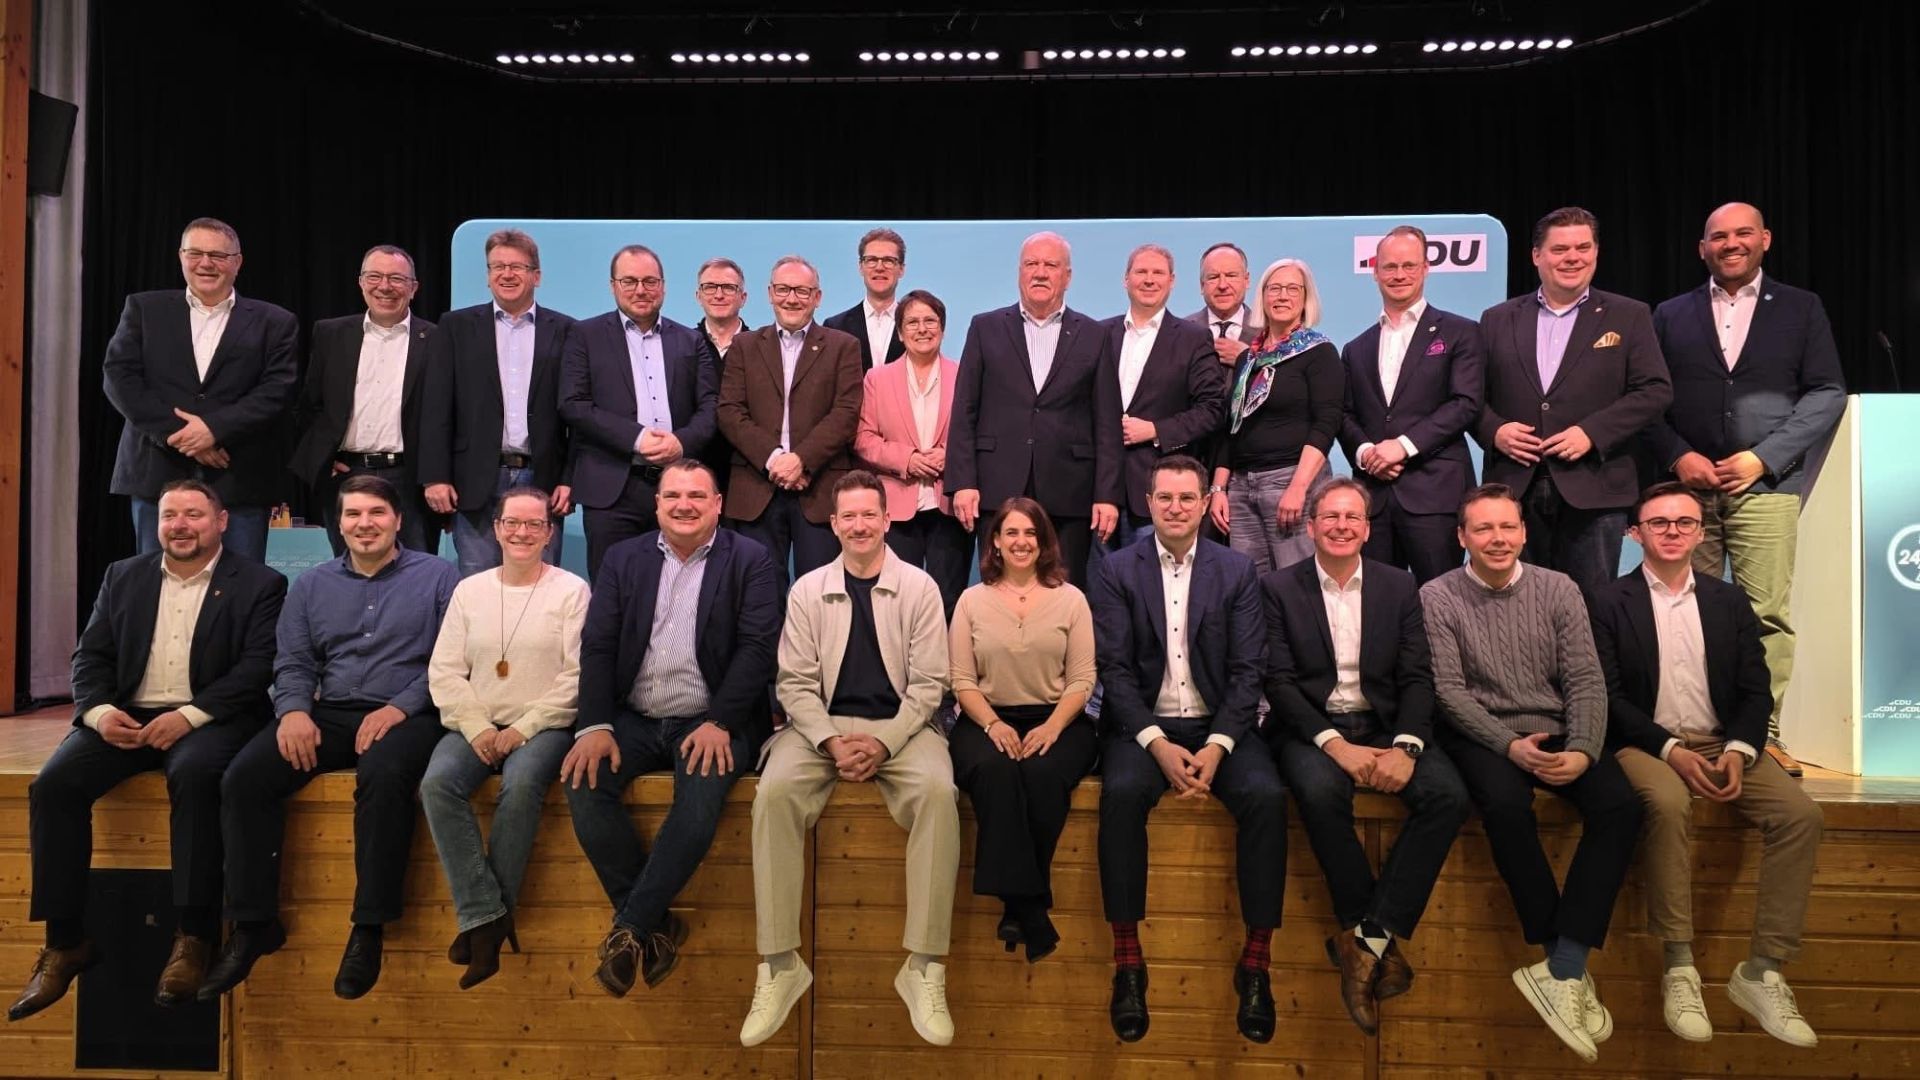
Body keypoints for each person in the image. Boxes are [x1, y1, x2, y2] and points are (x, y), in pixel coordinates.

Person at [8, 481, 285, 1021]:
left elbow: (257, 669)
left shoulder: (260, 583)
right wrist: (98, 713)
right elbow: (90, 657)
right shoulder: (123, 576)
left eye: (194, 515)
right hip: (127, 716)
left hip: (211, 717)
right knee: (54, 786)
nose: (180, 525)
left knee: (195, 775)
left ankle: (195, 935)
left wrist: (189, 716)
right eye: (169, 515)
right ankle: (65, 941)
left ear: (222, 521)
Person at [198, 475, 458, 1002]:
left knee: (383, 774)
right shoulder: (312, 585)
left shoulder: (439, 576)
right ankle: (253, 924)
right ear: (338, 524)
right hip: (331, 711)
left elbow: (450, 661)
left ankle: (369, 927)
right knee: (245, 777)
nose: (365, 524)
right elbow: (294, 660)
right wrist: (293, 710)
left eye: (376, 513)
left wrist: (399, 707)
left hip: (410, 712)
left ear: (398, 520)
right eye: (353, 514)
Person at [1589, 481, 1824, 1047]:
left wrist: (1741, 749)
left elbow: (1755, 688)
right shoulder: (1606, 601)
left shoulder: (1729, 600)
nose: (1672, 531)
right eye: (1659, 522)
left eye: (1685, 522)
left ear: (1700, 533)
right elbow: (1608, 697)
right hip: (1644, 744)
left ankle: (1763, 971)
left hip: (1724, 742)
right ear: (1635, 533)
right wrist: (1669, 750)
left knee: (1801, 816)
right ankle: (1679, 966)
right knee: (1668, 804)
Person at [1420, 483, 1643, 1063]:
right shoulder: (1436, 596)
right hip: (1483, 733)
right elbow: (1448, 692)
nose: (1497, 539)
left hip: (1561, 727)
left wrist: (1585, 750)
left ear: (1523, 532)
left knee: (1621, 806)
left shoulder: (1560, 588)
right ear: (1462, 537)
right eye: (1483, 529)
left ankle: (1563, 967)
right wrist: (1509, 746)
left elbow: (1586, 679)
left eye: (1507, 527)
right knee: (1504, 806)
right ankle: (1559, 960)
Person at [740, 471, 956, 1049]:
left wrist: (886, 742)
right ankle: (779, 965)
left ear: (887, 519)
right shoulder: (807, 590)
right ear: (834, 524)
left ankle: (924, 966)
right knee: (773, 793)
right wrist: (830, 741)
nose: (860, 526)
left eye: (869, 515)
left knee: (939, 794)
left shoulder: (921, 588)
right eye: (849, 517)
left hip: (903, 729)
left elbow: (930, 684)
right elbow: (794, 684)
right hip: (822, 728)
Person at [1260, 476, 1469, 1035]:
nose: (1341, 526)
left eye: (1353, 516)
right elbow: (1278, 682)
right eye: (1330, 516)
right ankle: (1376, 942)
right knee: (1319, 789)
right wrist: (1335, 745)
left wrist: (1405, 746)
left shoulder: (1399, 586)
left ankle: (1364, 941)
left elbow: (1417, 676)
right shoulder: (1278, 588)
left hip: (1384, 725)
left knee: (1448, 796)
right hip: (1311, 729)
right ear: (1310, 527)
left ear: (1368, 528)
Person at [564, 460, 779, 996]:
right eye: (674, 495)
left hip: (713, 721)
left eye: (697, 496)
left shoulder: (751, 559)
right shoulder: (623, 558)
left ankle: (631, 927)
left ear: (718, 505)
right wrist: (594, 725)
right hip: (633, 718)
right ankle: (650, 925)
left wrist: (720, 721)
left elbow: (758, 649)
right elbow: (599, 645)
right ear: (657, 504)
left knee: (699, 805)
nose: (685, 505)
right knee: (583, 783)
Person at [1091, 455, 1285, 1045]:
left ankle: (1257, 962)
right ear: (1149, 503)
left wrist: (1220, 745)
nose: (1175, 508)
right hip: (1143, 728)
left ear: (1205, 504)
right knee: (1122, 794)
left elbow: (1249, 669)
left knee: (1267, 797)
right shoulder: (1116, 568)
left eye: (1186, 498)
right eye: (1165, 498)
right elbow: (1114, 670)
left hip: (1220, 727)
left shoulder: (1237, 569)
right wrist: (1155, 744)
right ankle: (1128, 962)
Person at [1649, 202, 1847, 776]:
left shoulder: (1802, 308)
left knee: (1765, 617)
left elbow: (1827, 392)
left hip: (1766, 488)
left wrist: (1764, 458)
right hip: (1686, 493)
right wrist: (1678, 455)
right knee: (1683, 613)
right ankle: (1688, 735)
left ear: (1765, 239)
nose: (1730, 243)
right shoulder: (1669, 314)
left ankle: (1762, 734)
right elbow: (1646, 398)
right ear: (1702, 248)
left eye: (1742, 234)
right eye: (1718, 236)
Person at [420, 487, 590, 989]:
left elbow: (577, 676)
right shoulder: (468, 591)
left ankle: (482, 926)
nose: (522, 533)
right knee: (437, 785)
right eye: (512, 523)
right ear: (495, 529)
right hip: (476, 723)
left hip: (543, 725)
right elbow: (445, 671)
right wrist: (477, 727)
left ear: (549, 533)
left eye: (534, 524)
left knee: (520, 788)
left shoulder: (571, 591)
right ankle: (488, 915)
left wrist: (523, 728)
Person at [1475, 207, 1673, 598]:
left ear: (1596, 252)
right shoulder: (1497, 319)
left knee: (1592, 606)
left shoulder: (1629, 315)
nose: (1573, 257)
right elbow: (1469, 396)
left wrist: (1592, 433)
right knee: (1516, 605)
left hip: (1595, 486)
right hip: (1514, 487)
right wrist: (1494, 431)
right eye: (1560, 249)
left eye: (1583, 247)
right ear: (1536, 255)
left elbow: (1654, 389)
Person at [948, 497, 1098, 962]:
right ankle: (1031, 908)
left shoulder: (1072, 600)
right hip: (985, 716)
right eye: (1011, 532)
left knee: (1041, 773)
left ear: (1044, 541)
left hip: (1058, 717)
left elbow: (1082, 679)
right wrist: (992, 723)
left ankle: (1016, 905)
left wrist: (1053, 726)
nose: (1021, 542)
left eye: (1031, 533)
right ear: (994, 541)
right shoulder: (971, 601)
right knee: (996, 772)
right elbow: (961, 679)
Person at [103, 217, 299, 563]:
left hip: (238, 477)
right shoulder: (144, 309)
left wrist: (213, 430)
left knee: (239, 587)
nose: (205, 263)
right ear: (181, 256)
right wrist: (182, 434)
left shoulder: (276, 321)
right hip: (157, 472)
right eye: (195, 253)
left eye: (218, 255)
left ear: (237, 262)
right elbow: (120, 378)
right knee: (159, 583)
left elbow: (276, 390)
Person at [946, 231, 1121, 587]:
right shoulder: (985, 327)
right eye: (1031, 264)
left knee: (1065, 591)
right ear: (1019, 272)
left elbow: (1106, 421)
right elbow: (964, 410)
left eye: (1051, 265)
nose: (1040, 273)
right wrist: (963, 482)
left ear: (1067, 276)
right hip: (996, 487)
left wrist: (1107, 495)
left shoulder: (1094, 334)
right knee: (998, 590)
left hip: (1070, 491)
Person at [418, 227, 575, 576]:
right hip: (474, 481)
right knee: (478, 582)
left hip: (543, 479)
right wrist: (435, 477)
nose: (507, 274)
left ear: (536, 275)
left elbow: (576, 413)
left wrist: (570, 478)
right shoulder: (456, 327)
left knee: (540, 583)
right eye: (497, 266)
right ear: (488, 275)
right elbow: (436, 407)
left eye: (517, 266)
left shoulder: (566, 330)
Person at [560, 243, 720, 580]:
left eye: (650, 281)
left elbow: (710, 407)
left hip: (677, 488)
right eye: (629, 281)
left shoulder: (690, 340)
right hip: (612, 488)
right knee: (614, 587)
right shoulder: (584, 335)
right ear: (613, 286)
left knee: (682, 587)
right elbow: (574, 404)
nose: (640, 290)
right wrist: (637, 438)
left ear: (663, 286)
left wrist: (681, 442)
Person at [1339, 226, 1485, 583]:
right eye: (1390, 267)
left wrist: (1402, 447)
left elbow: (1465, 403)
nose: (1399, 275)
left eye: (1409, 265)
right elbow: (1343, 414)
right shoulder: (1356, 348)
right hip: (1374, 497)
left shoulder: (1460, 331)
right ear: (1375, 272)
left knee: (1441, 599)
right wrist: (1367, 453)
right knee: (1378, 602)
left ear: (1425, 269)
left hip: (1435, 495)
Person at [716, 256, 864, 590]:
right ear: (770, 293)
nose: (791, 298)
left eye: (801, 290)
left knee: (823, 593)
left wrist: (800, 460)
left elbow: (846, 413)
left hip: (819, 488)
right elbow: (729, 411)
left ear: (817, 297)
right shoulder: (744, 346)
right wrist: (774, 460)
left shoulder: (843, 346)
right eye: (783, 289)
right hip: (756, 490)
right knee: (760, 594)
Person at [289, 244, 439, 554]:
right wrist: (322, 460)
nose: (384, 286)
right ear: (360, 282)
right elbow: (309, 405)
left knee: (415, 573)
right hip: (347, 476)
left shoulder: (437, 339)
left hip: (410, 480)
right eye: (374, 276)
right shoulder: (331, 334)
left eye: (396, 278)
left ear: (414, 288)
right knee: (350, 572)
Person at [1210, 257, 1344, 574]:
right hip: (1241, 488)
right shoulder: (1248, 358)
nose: (1282, 296)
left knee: (1296, 583)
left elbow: (1326, 424)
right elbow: (1232, 426)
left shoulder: (1318, 351)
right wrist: (1218, 489)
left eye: (1292, 289)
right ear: (1262, 296)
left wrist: (1299, 487)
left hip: (1291, 481)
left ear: (1305, 298)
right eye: (1274, 288)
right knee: (1248, 585)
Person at [854, 288, 969, 616]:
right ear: (900, 333)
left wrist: (949, 455)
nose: (922, 329)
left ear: (942, 329)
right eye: (912, 322)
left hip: (949, 505)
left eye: (930, 321)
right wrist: (908, 459)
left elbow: (978, 432)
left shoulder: (963, 375)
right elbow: (864, 438)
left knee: (947, 601)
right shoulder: (877, 378)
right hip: (897, 507)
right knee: (897, 603)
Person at [1104, 244, 1226, 542]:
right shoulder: (1099, 334)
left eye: (1158, 273)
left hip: (1159, 494)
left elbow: (1212, 409)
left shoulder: (1193, 338)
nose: (1149, 280)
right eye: (1141, 272)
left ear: (1172, 281)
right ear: (1126, 279)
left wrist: (1155, 430)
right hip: (1099, 494)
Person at [692, 257, 751, 497]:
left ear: (743, 297)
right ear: (698, 296)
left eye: (728, 287)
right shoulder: (681, 346)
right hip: (694, 471)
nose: (719, 295)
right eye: (710, 287)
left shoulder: (762, 348)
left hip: (750, 474)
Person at [823, 227, 908, 370]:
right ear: (861, 267)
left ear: (901, 269)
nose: (879, 267)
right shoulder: (835, 327)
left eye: (888, 260)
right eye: (871, 260)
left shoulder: (916, 325)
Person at [1183, 241, 1262, 369]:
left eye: (1231, 276)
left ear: (1246, 280)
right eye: (1213, 277)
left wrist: (1248, 360)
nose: (1222, 285)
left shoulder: (1267, 331)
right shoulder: (1181, 333)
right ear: (1202, 285)